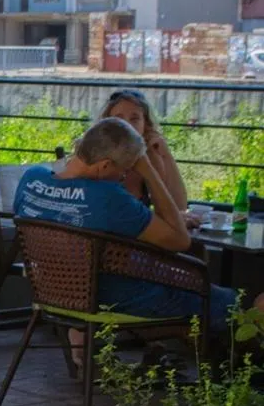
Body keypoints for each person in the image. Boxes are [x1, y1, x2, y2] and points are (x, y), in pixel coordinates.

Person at [14, 117, 263, 366]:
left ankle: (216, 362)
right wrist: (148, 170)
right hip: (113, 296)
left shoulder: (32, 178)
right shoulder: (109, 198)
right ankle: (244, 370)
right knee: (230, 301)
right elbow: (180, 239)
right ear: (103, 166)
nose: (124, 177)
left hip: (53, 293)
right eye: (123, 170)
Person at [97, 89, 188, 211]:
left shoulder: (150, 157)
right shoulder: (95, 155)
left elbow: (179, 207)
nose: (127, 125)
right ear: (106, 124)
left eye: (135, 119)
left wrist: (166, 155)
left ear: (146, 125)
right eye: (119, 119)